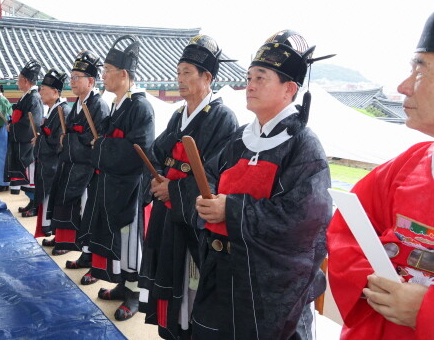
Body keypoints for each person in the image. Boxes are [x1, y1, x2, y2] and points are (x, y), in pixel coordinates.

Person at [193, 30, 332, 339]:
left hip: (270, 290)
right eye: (249, 76)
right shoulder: (239, 138)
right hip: (224, 271)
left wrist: (230, 208)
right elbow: (213, 177)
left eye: (261, 77)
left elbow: (304, 222)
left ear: (289, 89)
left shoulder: (303, 146)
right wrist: (206, 200)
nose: (250, 85)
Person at [327, 13, 434, 340]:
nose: (403, 86)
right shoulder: (410, 164)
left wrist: (424, 311)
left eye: (420, 68)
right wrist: (377, 282)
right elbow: (346, 229)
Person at [138, 35, 238, 340]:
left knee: (189, 283)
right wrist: (156, 180)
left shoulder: (223, 118)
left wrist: (176, 190)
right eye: (178, 72)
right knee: (166, 275)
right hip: (166, 215)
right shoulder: (179, 114)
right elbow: (157, 152)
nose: (179, 79)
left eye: (187, 73)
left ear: (207, 78)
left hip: (191, 220)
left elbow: (217, 175)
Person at [78, 35, 155, 321]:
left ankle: (135, 293)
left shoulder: (140, 107)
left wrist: (102, 147)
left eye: (107, 71)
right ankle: (123, 284)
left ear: (124, 75)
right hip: (113, 184)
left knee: (131, 240)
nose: (103, 76)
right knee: (118, 241)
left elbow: (139, 151)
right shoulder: (117, 105)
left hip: (131, 187)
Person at [43, 50, 109, 265]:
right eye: (71, 78)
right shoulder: (78, 103)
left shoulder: (98, 105)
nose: (72, 81)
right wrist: (68, 139)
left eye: (76, 78)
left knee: (85, 211)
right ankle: (70, 243)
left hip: (86, 170)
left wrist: (69, 140)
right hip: (71, 165)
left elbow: (93, 140)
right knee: (67, 204)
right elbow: (71, 134)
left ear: (90, 81)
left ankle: (87, 254)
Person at [32, 68, 71, 236]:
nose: (40, 93)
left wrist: (40, 139)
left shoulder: (63, 111)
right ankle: (48, 228)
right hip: (47, 165)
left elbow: (58, 142)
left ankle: (51, 229)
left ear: (55, 92)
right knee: (46, 198)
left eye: (44, 90)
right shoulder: (54, 110)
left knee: (52, 199)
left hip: (54, 165)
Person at [5, 59, 43, 216]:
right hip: (20, 144)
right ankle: (31, 202)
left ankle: (36, 205)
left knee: (31, 177)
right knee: (26, 178)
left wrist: (12, 128)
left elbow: (30, 124)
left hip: (28, 146)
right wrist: (10, 123)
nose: (17, 82)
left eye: (19, 79)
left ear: (26, 81)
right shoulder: (26, 97)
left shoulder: (33, 98)